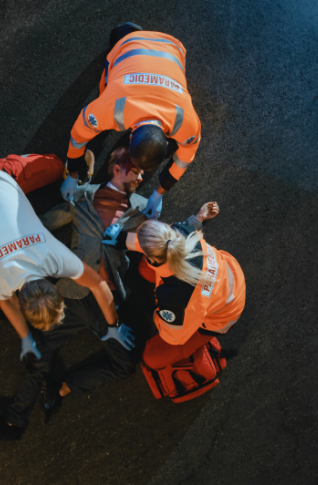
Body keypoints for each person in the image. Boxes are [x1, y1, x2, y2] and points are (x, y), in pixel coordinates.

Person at [33, 147, 222, 414]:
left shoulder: (143, 208)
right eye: (136, 172)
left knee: (124, 363)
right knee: (37, 338)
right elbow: (46, 222)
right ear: (117, 169)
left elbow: (168, 240)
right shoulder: (82, 195)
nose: (140, 179)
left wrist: (198, 218)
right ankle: (42, 384)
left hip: (108, 300)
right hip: (73, 291)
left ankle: (63, 388)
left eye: (142, 175)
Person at [0, 154, 124, 365]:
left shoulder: (55, 258)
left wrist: (115, 326)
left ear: (55, 289)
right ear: (21, 303)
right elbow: (5, 302)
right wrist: (25, 338)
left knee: (56, 167)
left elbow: (98, 285)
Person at [60, 23, 202, 221]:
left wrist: (158, 194)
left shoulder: (187, 122)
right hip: (143, 46)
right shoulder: (108, 109)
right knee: (106, 85)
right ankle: (128, 33)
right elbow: (77, 137)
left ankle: (135, 34)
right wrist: (72, 175)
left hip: (172, 48)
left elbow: (183, 161)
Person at [127, 216, 245, 373]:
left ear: (153, 258)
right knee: (145, 269)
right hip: (231, 278)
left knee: (152, 358)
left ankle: (200, 344)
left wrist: (157, 315)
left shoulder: (176, 300)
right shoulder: (179, 232)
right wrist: (121, 239)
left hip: (222, 318)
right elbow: (156, 243)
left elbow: (174, 337)